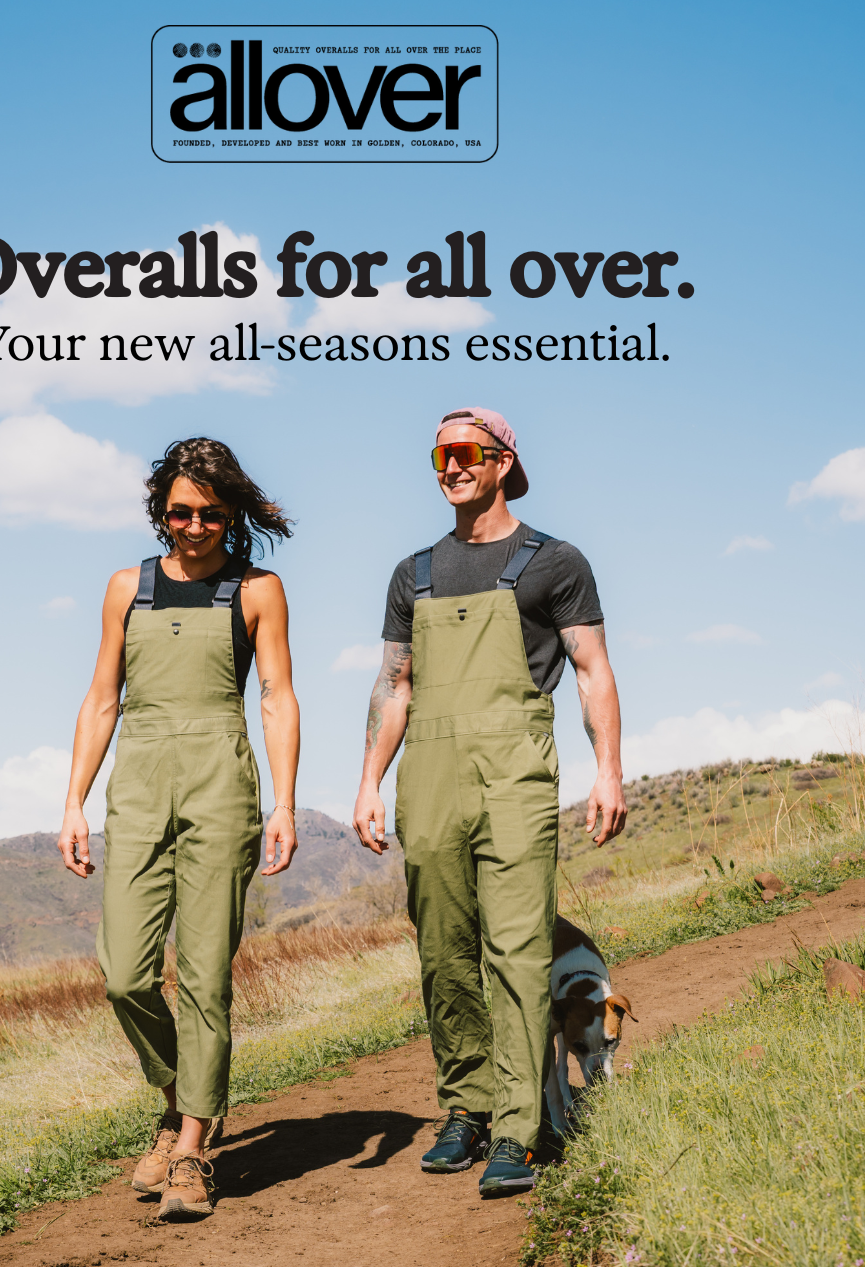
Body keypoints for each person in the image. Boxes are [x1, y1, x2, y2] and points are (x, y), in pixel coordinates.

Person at [352, 407, 626, 1197]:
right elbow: (393, 684)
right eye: (438, 455)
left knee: (515, 945)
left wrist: (608, 769)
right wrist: (370, 781)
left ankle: (520, 1126)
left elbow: (593, 668)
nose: (451, 467)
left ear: (503, 461)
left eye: (466, 452)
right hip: (429, 772)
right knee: (443, 948)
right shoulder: (416, 572)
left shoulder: (554, 561)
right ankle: (465, 1110)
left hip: (514, 767)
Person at [59, 437, 300, 1222]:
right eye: (178, 513)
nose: (193, 527)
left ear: (232, 513)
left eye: (209, 513)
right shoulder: (127, 587)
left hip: (220, 785)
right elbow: (101, 700)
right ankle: (179, 1098)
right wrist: (74, 804)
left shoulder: (257, 589)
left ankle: (192, 1149)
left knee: (203, 976)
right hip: (138, 784)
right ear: (159, 511)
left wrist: (285, 805)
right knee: (124, 974)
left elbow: (276, 698)